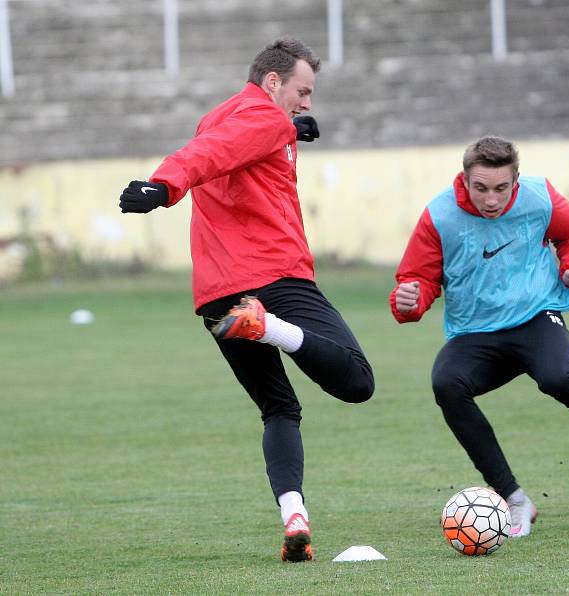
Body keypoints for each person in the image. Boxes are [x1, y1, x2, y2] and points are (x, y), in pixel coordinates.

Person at [118, 37, 374, 562]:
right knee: (356, 381)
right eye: (302, 92)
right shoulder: (265, 119)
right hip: (273, 278)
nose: (307, 102)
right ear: (273, 81)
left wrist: (292, 131)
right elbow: (209, 155)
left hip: (218, 295)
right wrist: (162, 187)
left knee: (279, 409)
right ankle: (270, 326)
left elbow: (224, 146)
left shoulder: (224, 115)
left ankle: (294, 519)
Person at [389, 136, 569, 538]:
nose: (491, 199)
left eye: (501, 188)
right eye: (481, 188)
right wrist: (409, 301)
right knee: (446, 383)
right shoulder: (439, 215)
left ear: (516, 182)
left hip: (536, 317)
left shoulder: (540, 198)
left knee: (559, 378)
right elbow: (418, 279)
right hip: (475, 334)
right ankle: (513, 498)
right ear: (465, 180)